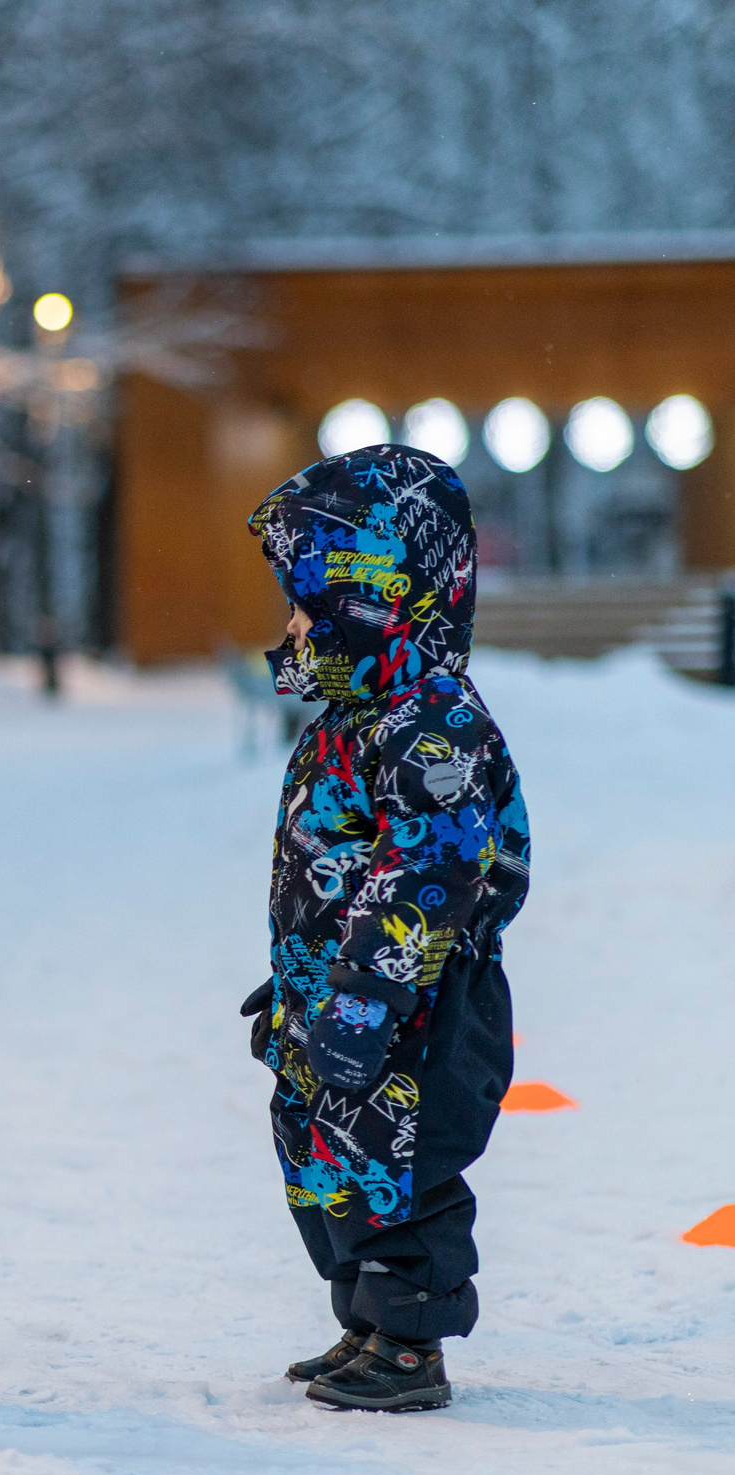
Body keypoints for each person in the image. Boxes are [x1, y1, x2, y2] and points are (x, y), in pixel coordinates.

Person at [242, 445, 530, 1413]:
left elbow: (429, 869)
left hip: (422, 1005)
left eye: (304, 604)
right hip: (352, 998)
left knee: (399, 1158)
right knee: (329, 1152)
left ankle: (410, 1340)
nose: (289, 628)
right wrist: (297, 983)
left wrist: (364, 997)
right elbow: (330, 872)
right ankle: (370, 1319)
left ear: (372, 595)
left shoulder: (425, 722)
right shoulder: (355, 715)